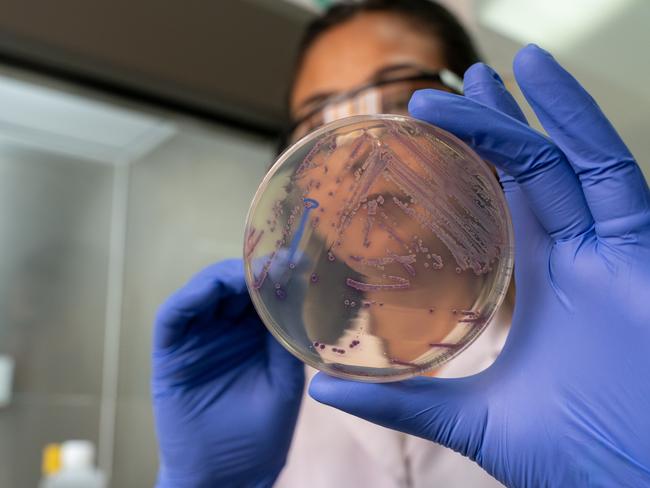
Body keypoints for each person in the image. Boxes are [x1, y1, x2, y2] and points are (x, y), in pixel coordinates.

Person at [151, 1, 650, 487]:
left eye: (396, 104)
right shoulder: (269, 394)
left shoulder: (597, 352)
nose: (361, 147)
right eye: (320, 125)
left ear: (476, 123)